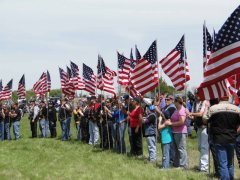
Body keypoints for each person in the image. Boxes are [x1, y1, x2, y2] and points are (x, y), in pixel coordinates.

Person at [205, 96, 240, 180]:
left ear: (219, 99)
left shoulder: (213, 108)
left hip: (219, 138)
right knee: (230, 163)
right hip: (231, 138)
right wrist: (235, 133)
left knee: (222, 163)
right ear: (228, 98)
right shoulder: (236, 109)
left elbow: (204, 119)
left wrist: (206, 108)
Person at [188, 90, 210, 172]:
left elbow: (201, 114)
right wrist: (189, 116)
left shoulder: (205, 102)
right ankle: (201, 165)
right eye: (196, 94)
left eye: (198, 94)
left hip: (205, 127)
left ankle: (204, 168)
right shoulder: (194, 104)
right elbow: (194, 118)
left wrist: (191, 113)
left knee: (204, 147)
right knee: (200, 147)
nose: (197, 96)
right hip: (198, 127)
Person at [165, 96, 188, 169]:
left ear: (177, 102)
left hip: (180, 132)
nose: (174, 103)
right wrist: (170, 121)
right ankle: (176, 163)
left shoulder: (182, 110)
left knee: (181, 149)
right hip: (175, 131)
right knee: (176, 149)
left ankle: (183, 165)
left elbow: (181, 122)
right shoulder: (176, 110)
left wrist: (171, 124)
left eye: (174, 102)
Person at [158, 95, 176, 168]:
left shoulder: (172, 108)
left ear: (172, 100)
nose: (166, 101)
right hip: (166, 134)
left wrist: (160, 120)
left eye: (168, 99)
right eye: (165, 99)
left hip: (167, 134)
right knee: (166, 151)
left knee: (167, 151)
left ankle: (168, 164)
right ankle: (167, 163)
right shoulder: (167, 107)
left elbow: (160, 127)